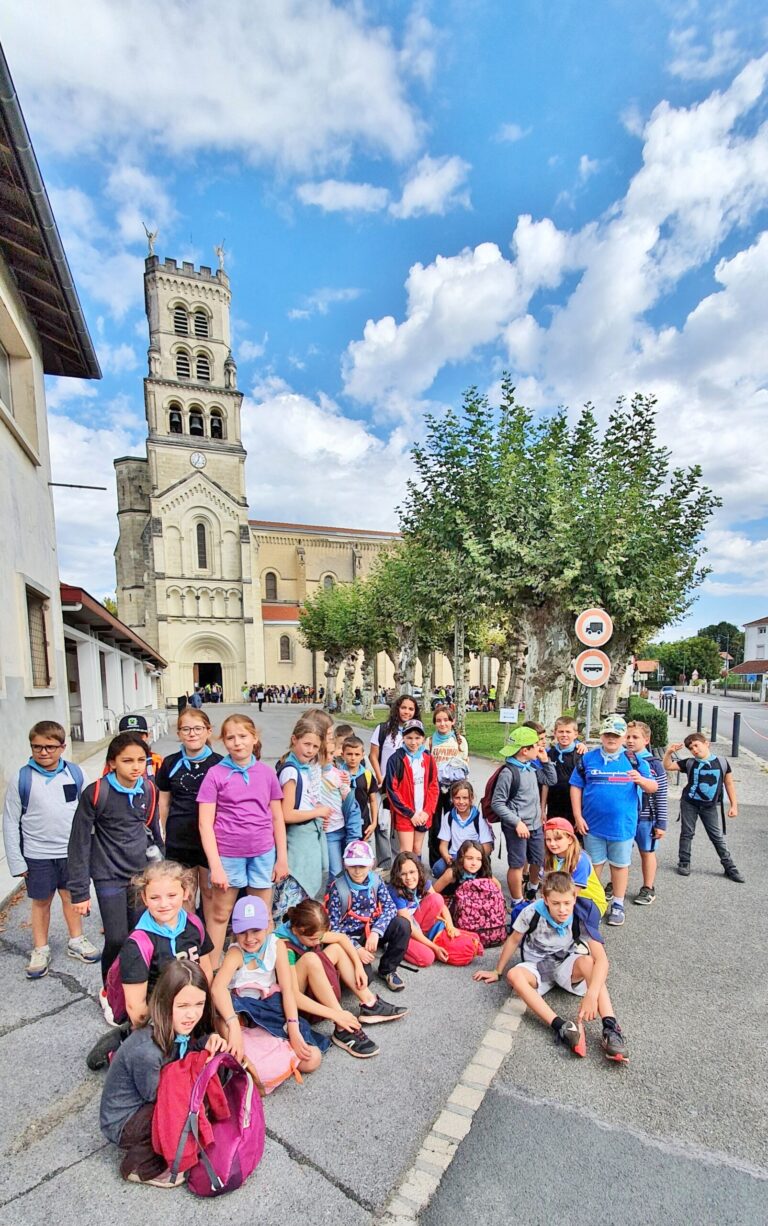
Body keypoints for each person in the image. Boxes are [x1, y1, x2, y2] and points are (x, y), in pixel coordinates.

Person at [474, 871, 628, 1062]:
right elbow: (513, 940)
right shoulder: (531, 912)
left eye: (566, 903)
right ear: (545, 899)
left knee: (589, 962)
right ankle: (562, 1027)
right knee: (514, 975)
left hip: (566, 964)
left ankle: (611, 1028)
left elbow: (602, 960)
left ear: (575, 898)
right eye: (556, 903)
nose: (562, 909)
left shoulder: (582, 913)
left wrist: (592, 994)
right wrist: (497, 971)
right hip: (537, 966)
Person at [100, 959, 226, 1187]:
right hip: (123, 1120)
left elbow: (187, 1048)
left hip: (147, 1099)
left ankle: (174, 1141)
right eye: (183, 1006)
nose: (192, 1014)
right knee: (183, 1110)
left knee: (194, 1102)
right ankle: (137, 1167)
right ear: (164, 1003)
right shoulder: (147, 1051)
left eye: (199, 1004)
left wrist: (208, 1042)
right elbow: (157, 1096)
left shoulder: (176, 1027)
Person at [67, 732, 163, 1005]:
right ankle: (111, 993)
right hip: (108, 875)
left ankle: (140, 990)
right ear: (112, 763)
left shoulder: (148, 790)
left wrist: (162, 874)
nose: (135, 767)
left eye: (141, 760)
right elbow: (79, 842)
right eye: (127, 760)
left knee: (140, 935)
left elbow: (154, 833)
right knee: (117, 938)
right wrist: (79, 891)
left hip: (140, 876)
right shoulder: (96, 792)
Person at [2, 720, 98, 980]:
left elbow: (89, 814)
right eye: (37, 747)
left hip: (71, 853)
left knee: (71, 897)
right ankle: (40, 948)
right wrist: (17, 861)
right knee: (41, 901)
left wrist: (91, 849)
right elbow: (10, 821)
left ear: (62, 747)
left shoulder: (76, 775)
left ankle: (76, 940)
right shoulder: (22, 779)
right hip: (37, 854)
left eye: (50, 747)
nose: (43, 752)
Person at [197, 714, 288, 966]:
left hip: (262, 853)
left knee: (261, 915)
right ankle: (212, 968)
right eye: (230, 738)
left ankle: (260, 968)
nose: (237, 743)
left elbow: (277, 818)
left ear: (254, 738)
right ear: (223, 742)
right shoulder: (215, 774)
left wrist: (282, 858)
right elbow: (205, 823)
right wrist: (215, 866)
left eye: (243, 736)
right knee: (221, 913)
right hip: (228, 855)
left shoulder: (266, 773)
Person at [211, 895, 326, 1074]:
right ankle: (249, 1060)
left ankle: (264, 1060)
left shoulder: (277, 945)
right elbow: (217, 988)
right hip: (244, 1012)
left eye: (256, 930)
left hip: (271, 1008)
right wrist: (233, 1025)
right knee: (223, 1018)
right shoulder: (236, 952)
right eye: (243, 932)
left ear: (268, 926)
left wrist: (293, 1028)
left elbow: (288, 991)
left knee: (313, 1059)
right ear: (235, 931)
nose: (249, 938)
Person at [275, 900, 406, 1056]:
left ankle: (370, 1002)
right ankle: (341, 1026)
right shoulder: (283, 944)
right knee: (310, 958)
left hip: (315, 988)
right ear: (297, 931)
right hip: (299, 1006)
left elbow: (342, 938)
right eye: (313, 939)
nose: (317, 942)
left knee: (336, 948)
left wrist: (358, 967)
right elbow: (293, 995)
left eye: (320, 937)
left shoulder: (306, 930)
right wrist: (336, 1015)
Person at [570, 715, 657, 927]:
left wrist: (641, 780)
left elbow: (653, 787)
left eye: (616, 735)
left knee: (619, 866)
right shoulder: (588, 759)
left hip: (622, 826)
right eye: (608, 734)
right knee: (593, 866)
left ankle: (618, 903)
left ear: (623, 737)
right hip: (592, 825)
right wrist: (578, 816)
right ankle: (593, 903)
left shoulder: (636, 761)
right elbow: (575, 786)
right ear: (601, 735)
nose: (611, 738)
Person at [155, 708, 222, 927]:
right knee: (186, 894)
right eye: (186, 729)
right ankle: (192, 936)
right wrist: (162, 831)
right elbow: (164, 801)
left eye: (198, 729)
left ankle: (210, 942)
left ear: (208, 731)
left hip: (211, 838)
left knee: (209, 892)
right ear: (179, 733)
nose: (192, 734)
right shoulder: (169, 763)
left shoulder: (220, 763)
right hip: (180, 838)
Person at [326, 840, 411, 994]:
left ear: (371, 864)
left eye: (362, 866)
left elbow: (390, 907)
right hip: (349, 937)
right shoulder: (338, 888)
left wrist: (376, 931)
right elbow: (334, 927)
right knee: (365, 979)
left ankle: (388, 969)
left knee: (402, 925)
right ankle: (339, 972)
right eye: (353, 866)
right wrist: (356, 949)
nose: (357, 871)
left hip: (372, 930)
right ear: (345, 864)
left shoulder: (376, 880)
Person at [663, 734, 743, 883]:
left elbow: (729, 784)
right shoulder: (690, 763)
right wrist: (669, 752)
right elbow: (667, 766)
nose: (694, 750)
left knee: (717, 836)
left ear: (706, 744)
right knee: (687, 833)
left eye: (696, 745)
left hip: (709, 806)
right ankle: (684, 861)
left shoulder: (722, 763)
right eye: (691, 748)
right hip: (689, 803)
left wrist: (734, 805)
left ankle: (729, 866)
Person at [490, 725, 554, 910]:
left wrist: (545, 761)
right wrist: (517, 822)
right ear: (525, 750)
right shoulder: (508, 773)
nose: (541, 747)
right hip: (516, 827)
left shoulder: (530, 768)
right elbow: (497, 803)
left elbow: (551, 780)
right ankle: (517, 901)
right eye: (536, 745)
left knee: (538, 858)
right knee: (517, 864)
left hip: (535, 825)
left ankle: (532, 889)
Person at [277, 714, 331, 900]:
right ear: (294, 739)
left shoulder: (305, 768)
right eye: (306, 744)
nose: (310, 750)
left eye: (315, 747)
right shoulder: (291, 771)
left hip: (308, 833)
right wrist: (318, 812)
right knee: (293, 895)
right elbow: (286, 813)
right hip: (297, 839)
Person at [368, 694, 420, 869]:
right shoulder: (383, 729)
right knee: (382, 825)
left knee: (400, 825)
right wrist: (379, 775)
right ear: (397, 708)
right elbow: (373, 755)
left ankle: (399, 864)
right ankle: (385, 865)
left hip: (406, 789)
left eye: (411, 709)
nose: (406, 712)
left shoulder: (416, 732)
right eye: (403, 707)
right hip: (384, 786)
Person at [624, 720, 669, 905]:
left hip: (646, 817)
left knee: (647, 852)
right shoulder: (621, 759)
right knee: (621, 852)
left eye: (635, 737)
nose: (630, 741)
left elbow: (661, 793)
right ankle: (616, 883)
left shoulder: (654, 764)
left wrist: (661, 823)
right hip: (626, 815)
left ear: (646, 739)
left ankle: (648, 887)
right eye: (627, 736)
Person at [388, 852, 457, 967]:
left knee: (437, 899)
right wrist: (434, 947)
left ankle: (423, 939)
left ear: (419, 871)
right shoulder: (395, 891)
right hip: (402, 931)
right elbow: (409, 926)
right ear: (397, 875)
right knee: (428, 958)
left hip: (415, 922)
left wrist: (451, 926)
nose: (409, 877)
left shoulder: (422, 881)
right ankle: (395, 946)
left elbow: (442, 905)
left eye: (412, 872)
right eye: (403, 874)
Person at [385, 719, 439, 857]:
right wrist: (410, 814)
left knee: (417, 849)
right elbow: (392, 790)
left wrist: (427, 811)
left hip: (423, 813)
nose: (413, 742)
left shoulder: (428, 758)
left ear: (423, 739)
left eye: (417, 738)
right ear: (403, 737)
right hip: (405, 814)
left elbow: (433, 786)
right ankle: (403, 877)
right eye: (409, 738)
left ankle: (418, 878)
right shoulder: (395, 759)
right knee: (407, 851)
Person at [426, 705, 469, 866]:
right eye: (438, 721)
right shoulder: (429, 741)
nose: (442, 724)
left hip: (454, 788)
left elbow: (464, 766)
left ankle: (454, 857)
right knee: (435, 825)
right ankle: (436, 861)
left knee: (453, 822)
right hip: (434, 788)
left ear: (453, 721)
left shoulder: (459, 741)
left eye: (446, 720)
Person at [543, 818, 607, 916]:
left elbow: (573, 894)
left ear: (570, 839)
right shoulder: (549, 857)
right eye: (548, 839)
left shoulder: (580, 860)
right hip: (563, 900)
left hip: (588, 902)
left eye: (558, 839)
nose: (552, 844)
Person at [432, 781, 493, 877]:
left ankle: (465, 877)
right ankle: (456, 881)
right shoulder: (449, 817)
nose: (461, 802)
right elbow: (443, 845)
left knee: (480, 873)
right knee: (437, 869)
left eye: (465, 798)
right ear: (452, 799)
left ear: (471, 798)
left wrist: (474, 859)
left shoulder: (479, 817)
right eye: (457, 798)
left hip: (473, 856)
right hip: (455, 856)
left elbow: (487, 847)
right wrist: (447, 857)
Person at [541, 716, 584, 823]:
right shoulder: (548, 754)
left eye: (568, 732)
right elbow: (545, 784)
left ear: (575, 734)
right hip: (554, 805)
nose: (564, 735)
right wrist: (542, 809)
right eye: (561, 731)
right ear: (555, 733)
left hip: (575, 807)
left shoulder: (581, 754)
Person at [341, 735, 380, 846]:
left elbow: (372, 800)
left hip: (363, 823)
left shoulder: (367, 775)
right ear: (342, 755)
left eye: (357, 754)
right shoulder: (338, 774)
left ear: (363, 756)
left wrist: (374, 823)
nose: (353, 758)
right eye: (349, 754)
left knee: (359, 856)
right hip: (341, 823)